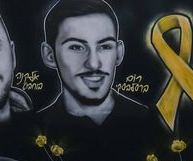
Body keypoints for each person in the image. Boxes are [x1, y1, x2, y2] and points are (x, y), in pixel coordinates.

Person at [38, 0, 147, 128]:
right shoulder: (36, 128)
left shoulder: (151, 122)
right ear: (49, 56)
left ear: (118, 53)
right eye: (76, 47)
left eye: (105, 46)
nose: (94, 64)